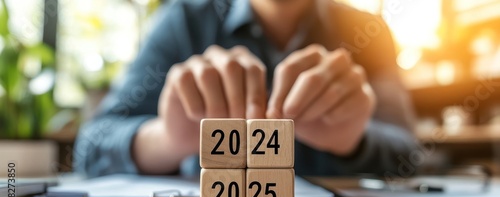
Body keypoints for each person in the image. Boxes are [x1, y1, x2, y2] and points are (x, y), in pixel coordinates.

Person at [74, 0, 417, 177]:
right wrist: (168, 139)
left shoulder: (370, 30)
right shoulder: (182, 20)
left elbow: (411, 154)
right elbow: (89, 146)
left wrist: (354, 143)